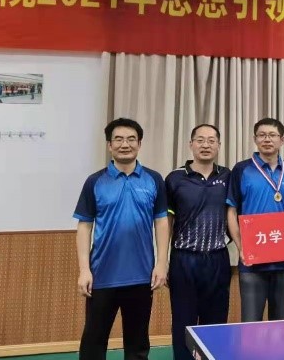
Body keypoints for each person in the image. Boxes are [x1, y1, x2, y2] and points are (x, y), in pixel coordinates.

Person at [73, 117, 169, 360]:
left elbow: (161, 221)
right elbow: (84, 226)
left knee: (137, 345)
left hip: (141, 276)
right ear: (109, 145)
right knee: (93, 343)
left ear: (139, 144)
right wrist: (84, 270)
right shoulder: (95, 181)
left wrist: (161, 264)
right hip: (102, 276)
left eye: (131, 139)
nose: (125, 144)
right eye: (118, 139)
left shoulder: (154, 179)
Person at [226, 117, 284, 322]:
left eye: (272, 135)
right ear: (255, 139)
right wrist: (241, 247)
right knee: (251, 323)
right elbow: (231, 211)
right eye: (262, 135)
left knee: (281, 324)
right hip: (252, 260)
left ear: (282, 140)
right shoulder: (241, 169)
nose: (267, 139)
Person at [165, 124, 232, 360]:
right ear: (191, 144)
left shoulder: (228, 176)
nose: (206, 145)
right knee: (183, 321)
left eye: (211, 141)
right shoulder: (175, 178)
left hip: (217, 259)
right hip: (184, 259)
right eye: (200, 140)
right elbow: (167, 222)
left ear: (219, 145)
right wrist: (162, 261)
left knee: (215, 323)